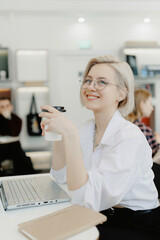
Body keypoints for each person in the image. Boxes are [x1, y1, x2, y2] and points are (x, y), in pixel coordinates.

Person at [39, 55, 160, 240]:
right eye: (87, 80)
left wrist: (70, 134)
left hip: (136, 225)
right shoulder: (88, 129)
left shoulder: (130, 138)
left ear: (122, 94)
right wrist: (59, 136)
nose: (90, 86)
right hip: (103, 214)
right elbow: (60, 177)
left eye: (101, 82)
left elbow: (87, 199)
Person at [126, 88, 160, 197]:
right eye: (149, 103)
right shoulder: (141, 128)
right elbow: (154, 156)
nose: (152, 108)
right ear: (141, 104)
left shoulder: (129, 125)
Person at [0, 97, 35, 175]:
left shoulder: (17, 119)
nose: (5, 108)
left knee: (25, 161)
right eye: (2, 107)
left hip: (14, 147)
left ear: (11, 107)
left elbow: (15, 133)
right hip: (1, 148)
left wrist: (8, 118)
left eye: (7, 106)